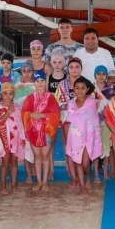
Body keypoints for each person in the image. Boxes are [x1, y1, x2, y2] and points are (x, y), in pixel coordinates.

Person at [22, 71, 61, 192]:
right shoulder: (30, 98)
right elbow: (24, 112)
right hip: (33, 131)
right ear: (34, 83)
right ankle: (39, 182)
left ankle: (45, 182)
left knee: (45, 156)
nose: (40, 83)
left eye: (42, 80)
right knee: (37, 156)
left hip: (46, 131)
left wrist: (44, 115)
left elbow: (56, 114)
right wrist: (31, 115)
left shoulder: (51, 98)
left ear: (46, 82)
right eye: (37, 81)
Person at [64, 76, 103, 195]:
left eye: (83, 88)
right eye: (77, 88)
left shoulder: (92, 102)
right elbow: (67, 121)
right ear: (73, 89)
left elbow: (94, 119)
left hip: (89, 137)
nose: (80, 90)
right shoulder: (70, 104)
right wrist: (67, 139)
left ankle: (89, 178)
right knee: (78, 162)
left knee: (85, 163)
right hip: (75, 137)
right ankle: (82, 186)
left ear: (87, 89)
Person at [0, 82, 33, 195]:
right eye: (5, 94)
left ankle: (14, 185)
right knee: (5, 163)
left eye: (10, 94)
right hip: (4, 139)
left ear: (13, 95)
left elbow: (21, 123)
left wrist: (23, 137)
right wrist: (9, 112)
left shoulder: (17, 107)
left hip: (16, 139)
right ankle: (3, 186)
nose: (8, 96)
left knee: (14, 162)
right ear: (1, 94)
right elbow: (0, 122)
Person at [57, 56, 83, 186]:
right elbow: (58, 103)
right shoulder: (62, 84)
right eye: (71, 67)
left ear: (81, 69)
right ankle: (73, 177)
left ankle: (80, 174)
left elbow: (91, 102)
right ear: (68, 69)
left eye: (77, 67)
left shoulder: (86, 84)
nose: (74, 69)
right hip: (67, 121)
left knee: (81, 148)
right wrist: (71, 105)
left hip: (82, 122)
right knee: (69, 148)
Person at [94, 65, 114, 181]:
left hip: (107, 122)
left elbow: (113, 106)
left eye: (103, 74)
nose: (101, 76)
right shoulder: (90, 88)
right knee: (95, 148)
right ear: (95, 75)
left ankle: (106, 170)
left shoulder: (111, 89)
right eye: (98, 74)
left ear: (106, 76)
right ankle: (96, 173)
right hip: (93, 123)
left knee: (106, 148)